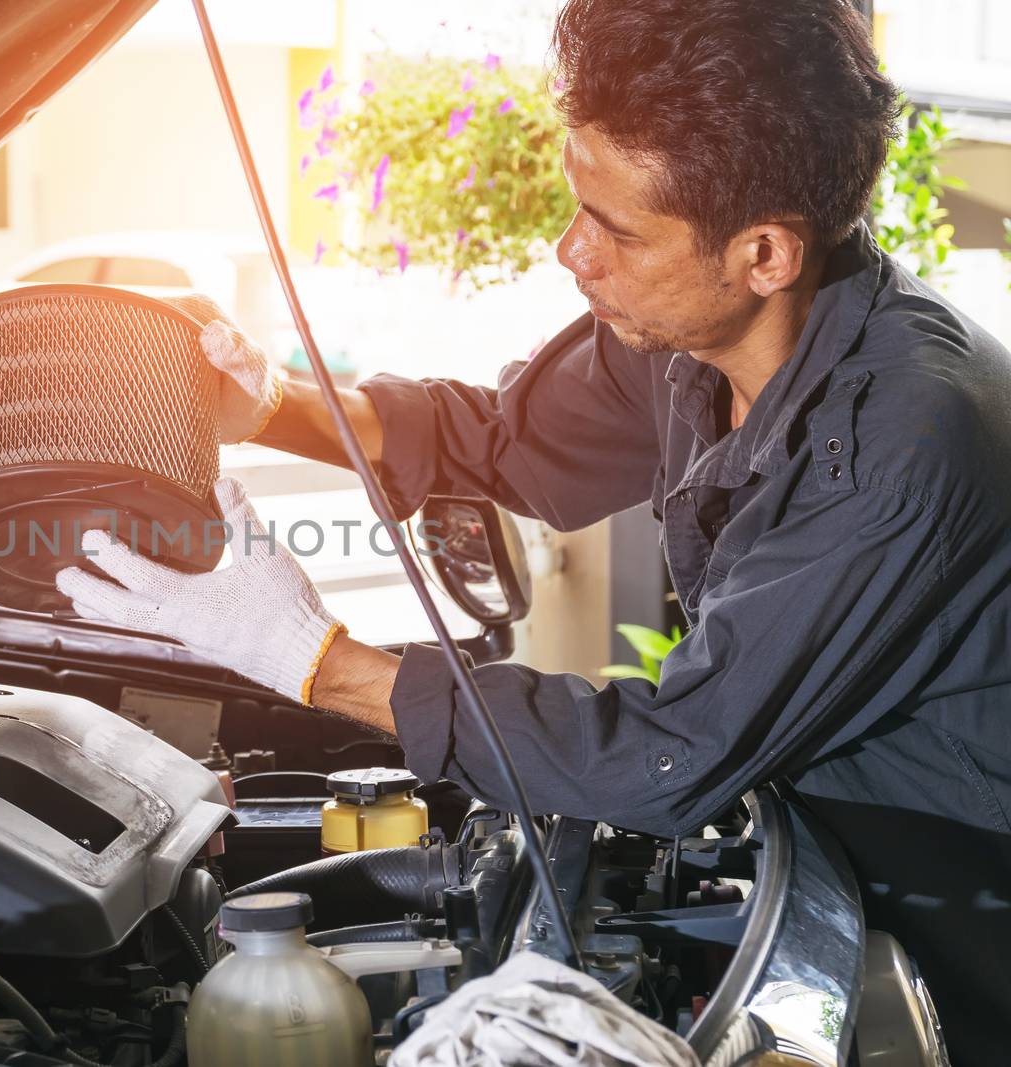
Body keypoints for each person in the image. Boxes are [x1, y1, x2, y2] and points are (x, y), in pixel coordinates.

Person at [56, 0, 1011, 1058]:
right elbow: (507, 440)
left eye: (615, 230)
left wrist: (312, 659)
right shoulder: (691, 333)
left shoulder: (898, 446)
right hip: (824, 867)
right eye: (577, 206)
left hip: (962, 922)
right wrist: (270, 405)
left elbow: (668, 756)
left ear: (764, 252)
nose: (572, 251)